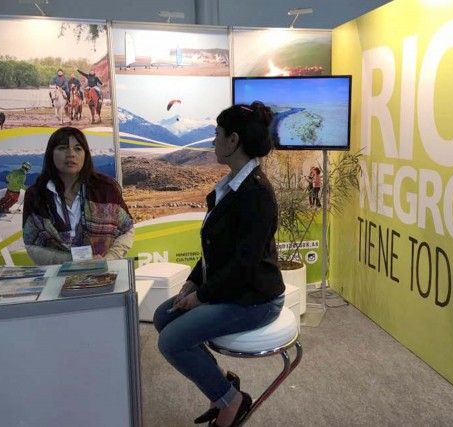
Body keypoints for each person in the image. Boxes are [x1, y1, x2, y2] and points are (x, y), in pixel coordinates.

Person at [153, 101, 285, 427]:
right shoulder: (229, 186)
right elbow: (216, 248)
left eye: (217, 133)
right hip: (232, 289)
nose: (213, 140)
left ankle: (231, 402)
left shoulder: (256, 194)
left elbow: (243, 266)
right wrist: (193, 282)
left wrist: (201, 297)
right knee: (162, 317)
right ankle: (225, 384)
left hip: (255, 299)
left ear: (233, 140)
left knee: (171, 341)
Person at [22, 127, 134, 265]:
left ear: (85, 154)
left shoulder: (106, 189)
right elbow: (32, 244)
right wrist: (73, 261)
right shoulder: (36, 194)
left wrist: (109, 259)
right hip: (57, 274)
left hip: (103, 271)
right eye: (63, 148)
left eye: (78, 148)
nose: (71, 154)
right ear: (51, 154)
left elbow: (127, 230)